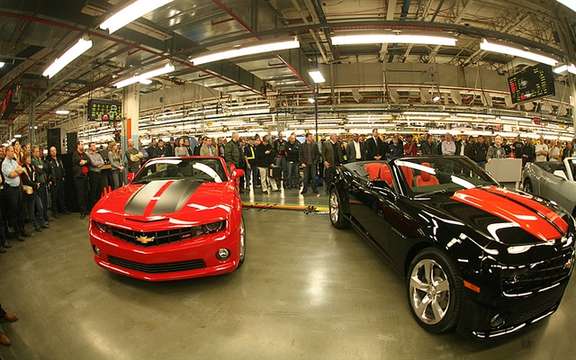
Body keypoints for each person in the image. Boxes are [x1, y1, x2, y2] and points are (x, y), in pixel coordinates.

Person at [2, 145, 28, 239]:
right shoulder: (4, 164)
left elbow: (22, 169)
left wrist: (17, 170)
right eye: (11, 151)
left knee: (21, 210)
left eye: (13, 151)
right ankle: (17, 233)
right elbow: (12, 175)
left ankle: (22, 230)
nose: (13, 152)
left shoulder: (13, 161)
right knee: (14, 211)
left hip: (18, 188)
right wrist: (17, 171)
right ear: (7, 152)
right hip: (11, 190)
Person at [21, 152, 47, 232]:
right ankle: (36, 226)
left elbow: (38, 173)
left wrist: (36, 183)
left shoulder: (32, 166)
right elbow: (26, 181)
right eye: (27, 158)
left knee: (40, 207)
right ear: (24, 160)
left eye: (29, 158)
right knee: (31, 210)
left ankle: (42, 223)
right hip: (29, 192)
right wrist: (35, 184)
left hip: (35, 190)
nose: (29, 159)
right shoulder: (23, 168)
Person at [46, 146, 67, 215]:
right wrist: (50, 180)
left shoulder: (59, 159)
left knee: (62, 196)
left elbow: (62, 168)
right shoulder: (49, 161)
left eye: (54, 150)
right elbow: (48, 172)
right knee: (54, 197)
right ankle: (55, 212)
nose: (53, 152)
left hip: (61, 180)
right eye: (52, 151)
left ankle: (63, 210)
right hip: (54, 182)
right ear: (50, 152)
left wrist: (63, 176)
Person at [31, 146, 49, 224]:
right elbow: (39, 171)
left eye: (39, 151)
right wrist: (41, 168)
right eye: (37, 151)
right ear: (33, 153)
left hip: (44, 182)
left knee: (45, 201)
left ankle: (45, 217)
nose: (39, 153)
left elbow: (45, 167)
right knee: (40, 203)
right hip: (39, 183)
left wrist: (41, 168)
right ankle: (41, 219)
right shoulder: (33, 161)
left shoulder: (40, 159)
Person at [72, 142, 90, 218]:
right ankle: (82, 211)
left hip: (85, 177)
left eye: (83, 144)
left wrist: (85, 161)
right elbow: (78, 161)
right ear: (78, 145)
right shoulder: (75, 154)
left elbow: (88, 160)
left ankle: (86, 210)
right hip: (78, 177)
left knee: (86, 193)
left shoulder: (84, 154)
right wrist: (83, 161)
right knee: (80, 195)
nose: (83, 146)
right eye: (81, 144)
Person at [86, 142, 105, 209]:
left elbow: (103, 162)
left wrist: (98, 165)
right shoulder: (88, 155)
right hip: (93, 174)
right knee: (93, 190)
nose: (94, 146)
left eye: (95, 145)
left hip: (99, 173)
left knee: (99, 189)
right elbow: (93, 163)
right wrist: (99, 164)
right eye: (93, 145)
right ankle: (93, 206)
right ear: (90, 147)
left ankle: (98, 205)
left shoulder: (98, 154)